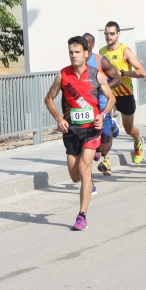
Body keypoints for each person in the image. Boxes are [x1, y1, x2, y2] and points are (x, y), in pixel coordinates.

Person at [44, 36, 115, 231]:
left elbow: (111, 98)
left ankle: (82, 215)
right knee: (75, 176)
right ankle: (90, 162)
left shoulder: (97, 75)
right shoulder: (63, 75)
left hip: (91, 129)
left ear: (85, 53)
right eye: (70, 52)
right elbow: (48, 99)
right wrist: (59, 118)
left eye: (77, 52)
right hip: (72, 131)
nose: (73, 56)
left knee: (84, 170)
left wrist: (102, 114)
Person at [100, 22, 146, 164]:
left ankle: (138, 142)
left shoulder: (124, 50)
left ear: (118, 34)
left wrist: (123, 73)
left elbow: (142, 72)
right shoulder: (102, 52)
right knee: (108, 125)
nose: (109, 36)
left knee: (129, 129)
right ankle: (106, 160)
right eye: (106, 33)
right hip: (110, 94)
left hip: (125, 94)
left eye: (112, 33)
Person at [83, 33, 120, 176]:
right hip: (87, 105)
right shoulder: (77, 62)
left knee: (105, 148)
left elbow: (117, 79)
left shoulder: (100, 61)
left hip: (103, 103)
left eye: (87, 42)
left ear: (92, 45)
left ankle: (111, 127)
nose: (84, 44)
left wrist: (102, 87)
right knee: (89, 137)